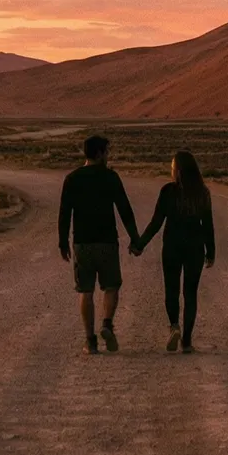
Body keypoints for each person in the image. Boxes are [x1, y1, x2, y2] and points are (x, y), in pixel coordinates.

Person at [58, 134, 138, 355]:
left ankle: (90, 341)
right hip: (107, 242)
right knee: (111, 286)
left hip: (82, 243)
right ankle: (107, 324)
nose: (108, 156)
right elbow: (125, 209)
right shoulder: (110, 177)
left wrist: (62, 242)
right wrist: (135, 238)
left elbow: (64, 214)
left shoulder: (72, 178)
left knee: (85, 291)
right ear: (100, 153)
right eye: (106, 152)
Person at [132, 150, 217, 353]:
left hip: (172, 246)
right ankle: (186, 342)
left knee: (171, 289)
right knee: (190, 293)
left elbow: (156, 222)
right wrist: (211, 251)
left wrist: (140, 244)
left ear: (177, 170)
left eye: (172, 167)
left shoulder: (168, 191)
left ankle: (174, 327)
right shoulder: (202, 192)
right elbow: (208, 225)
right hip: (195, 248)